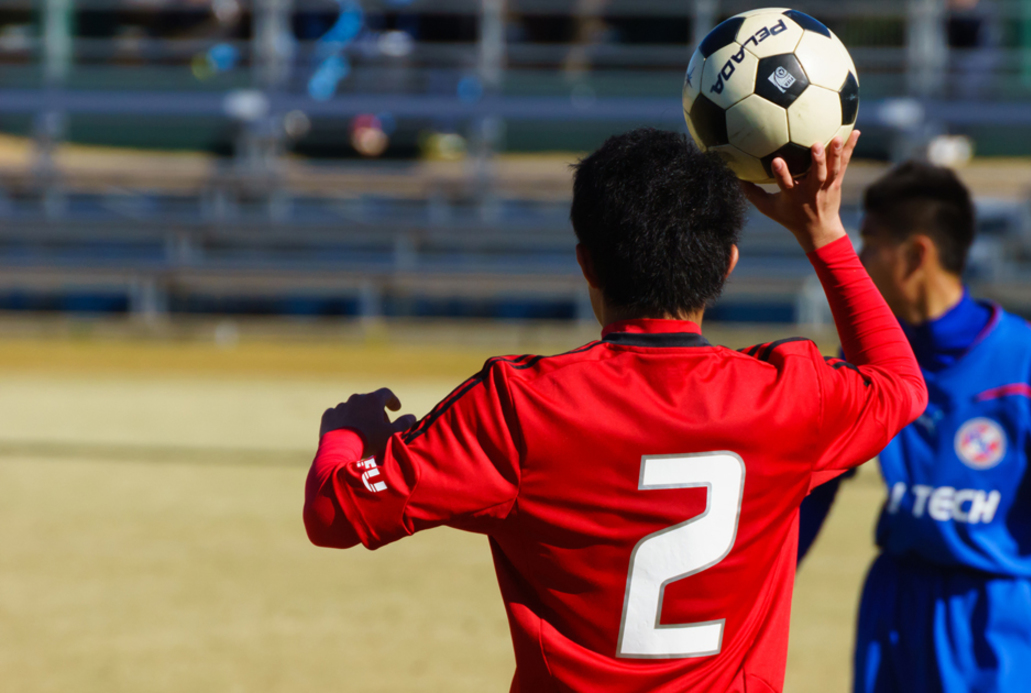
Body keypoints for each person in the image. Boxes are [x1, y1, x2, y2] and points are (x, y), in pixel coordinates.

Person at [301, 128, 928, 692]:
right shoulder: (789, 397)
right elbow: (901, 383)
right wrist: (823, 233)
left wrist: (346, 436)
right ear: (727, 265)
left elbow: (336, 512)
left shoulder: (517, 406)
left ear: (587, 264)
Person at [797, 161, 1031, 693]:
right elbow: (820, 485)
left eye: (871, 243)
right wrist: (774, 579)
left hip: (996, 613)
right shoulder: (872, 363)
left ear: (916, 254)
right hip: (896, 603)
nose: (859, 261)